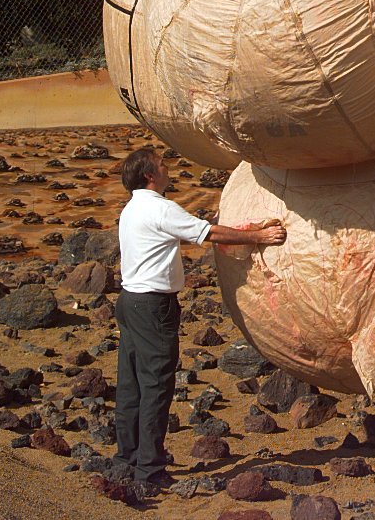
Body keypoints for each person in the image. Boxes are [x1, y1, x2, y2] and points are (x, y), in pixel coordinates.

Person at [114, 146, 287, 488]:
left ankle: (127, 458)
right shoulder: (159, 208)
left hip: (129, 302)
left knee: (131, 384)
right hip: (152, 307)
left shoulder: (131, 208)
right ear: (150, 174)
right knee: (155, 388)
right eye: (162, 165)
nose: (167, 169)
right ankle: (149, 471)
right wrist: (258, 237)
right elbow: (210, 234)